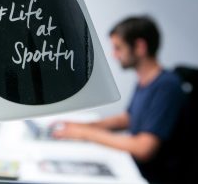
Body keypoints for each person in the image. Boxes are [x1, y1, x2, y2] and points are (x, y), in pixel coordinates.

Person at [53, 16, 187, 182]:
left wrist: (87, 133)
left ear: (139, 47)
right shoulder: (146, 81)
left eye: (118, 48)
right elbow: (129, 118)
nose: (114, 55)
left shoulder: (167, 86)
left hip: (150, 177)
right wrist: (84, 126)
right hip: (134, 168)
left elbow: (143, 148)